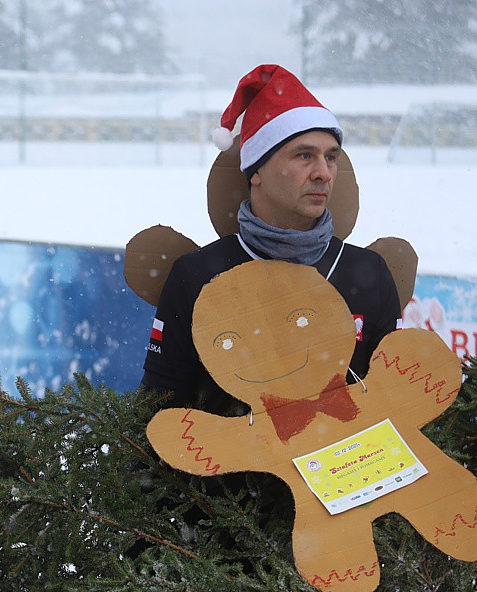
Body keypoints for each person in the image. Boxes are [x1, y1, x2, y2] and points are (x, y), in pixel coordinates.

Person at [139, 64, 402, 416]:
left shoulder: (367, 272)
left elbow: (394, 400)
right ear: (256, 171)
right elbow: (160, 409)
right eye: (304, 155)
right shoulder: (197, 274)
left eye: (331, 157)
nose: (324, 173)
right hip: (227, 469)